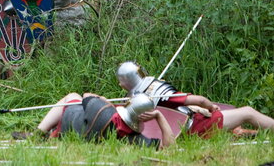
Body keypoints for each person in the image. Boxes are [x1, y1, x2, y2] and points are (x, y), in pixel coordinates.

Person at [116, 61, 274, 138]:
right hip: (196, 126)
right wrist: (210, 106)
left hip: (182, 131)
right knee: (248, 112)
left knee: (234, 123)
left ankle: (248, 134)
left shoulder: (133, 102)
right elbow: (198, 100)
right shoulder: (155, 91)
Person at [16, 92, 175, 149]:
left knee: (72, 97)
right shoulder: (134, 139)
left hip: (69, 123)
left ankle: (38, 133)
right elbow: (170, 147)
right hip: (77, 130)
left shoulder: (104, 111)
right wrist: (159, 117)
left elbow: (86, 96)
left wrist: (106, 102)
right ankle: (46, 133)